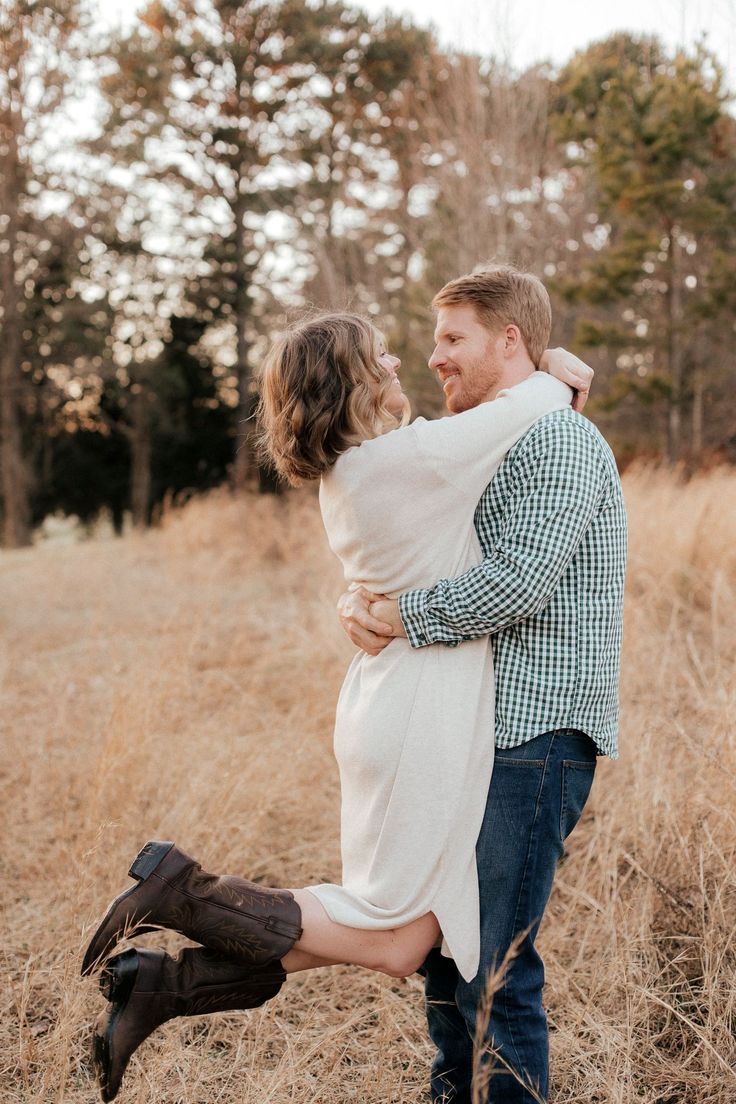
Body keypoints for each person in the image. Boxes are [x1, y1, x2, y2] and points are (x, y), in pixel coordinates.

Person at [80, 301, 595, 1103]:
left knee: (420, 932)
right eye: (382, 356)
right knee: (394, 933)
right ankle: (182, 892)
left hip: (391, 702)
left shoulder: (360, 471)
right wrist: (556, 369)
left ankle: (167, 984)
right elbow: (528, 401)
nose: (401, 365)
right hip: (422, 706)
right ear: (348, 382)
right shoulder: (413, 461)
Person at [337, 266, 627, 1103]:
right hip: (467, 729)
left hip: (534, 737)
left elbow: (517, 581)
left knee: (496, 964)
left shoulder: (561, 440)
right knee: (447, 950)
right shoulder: (492, 436)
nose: (434, 358)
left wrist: (397, 618)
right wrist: (358, 598)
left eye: (452, 338)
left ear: (509, 342)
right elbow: (404, 540)